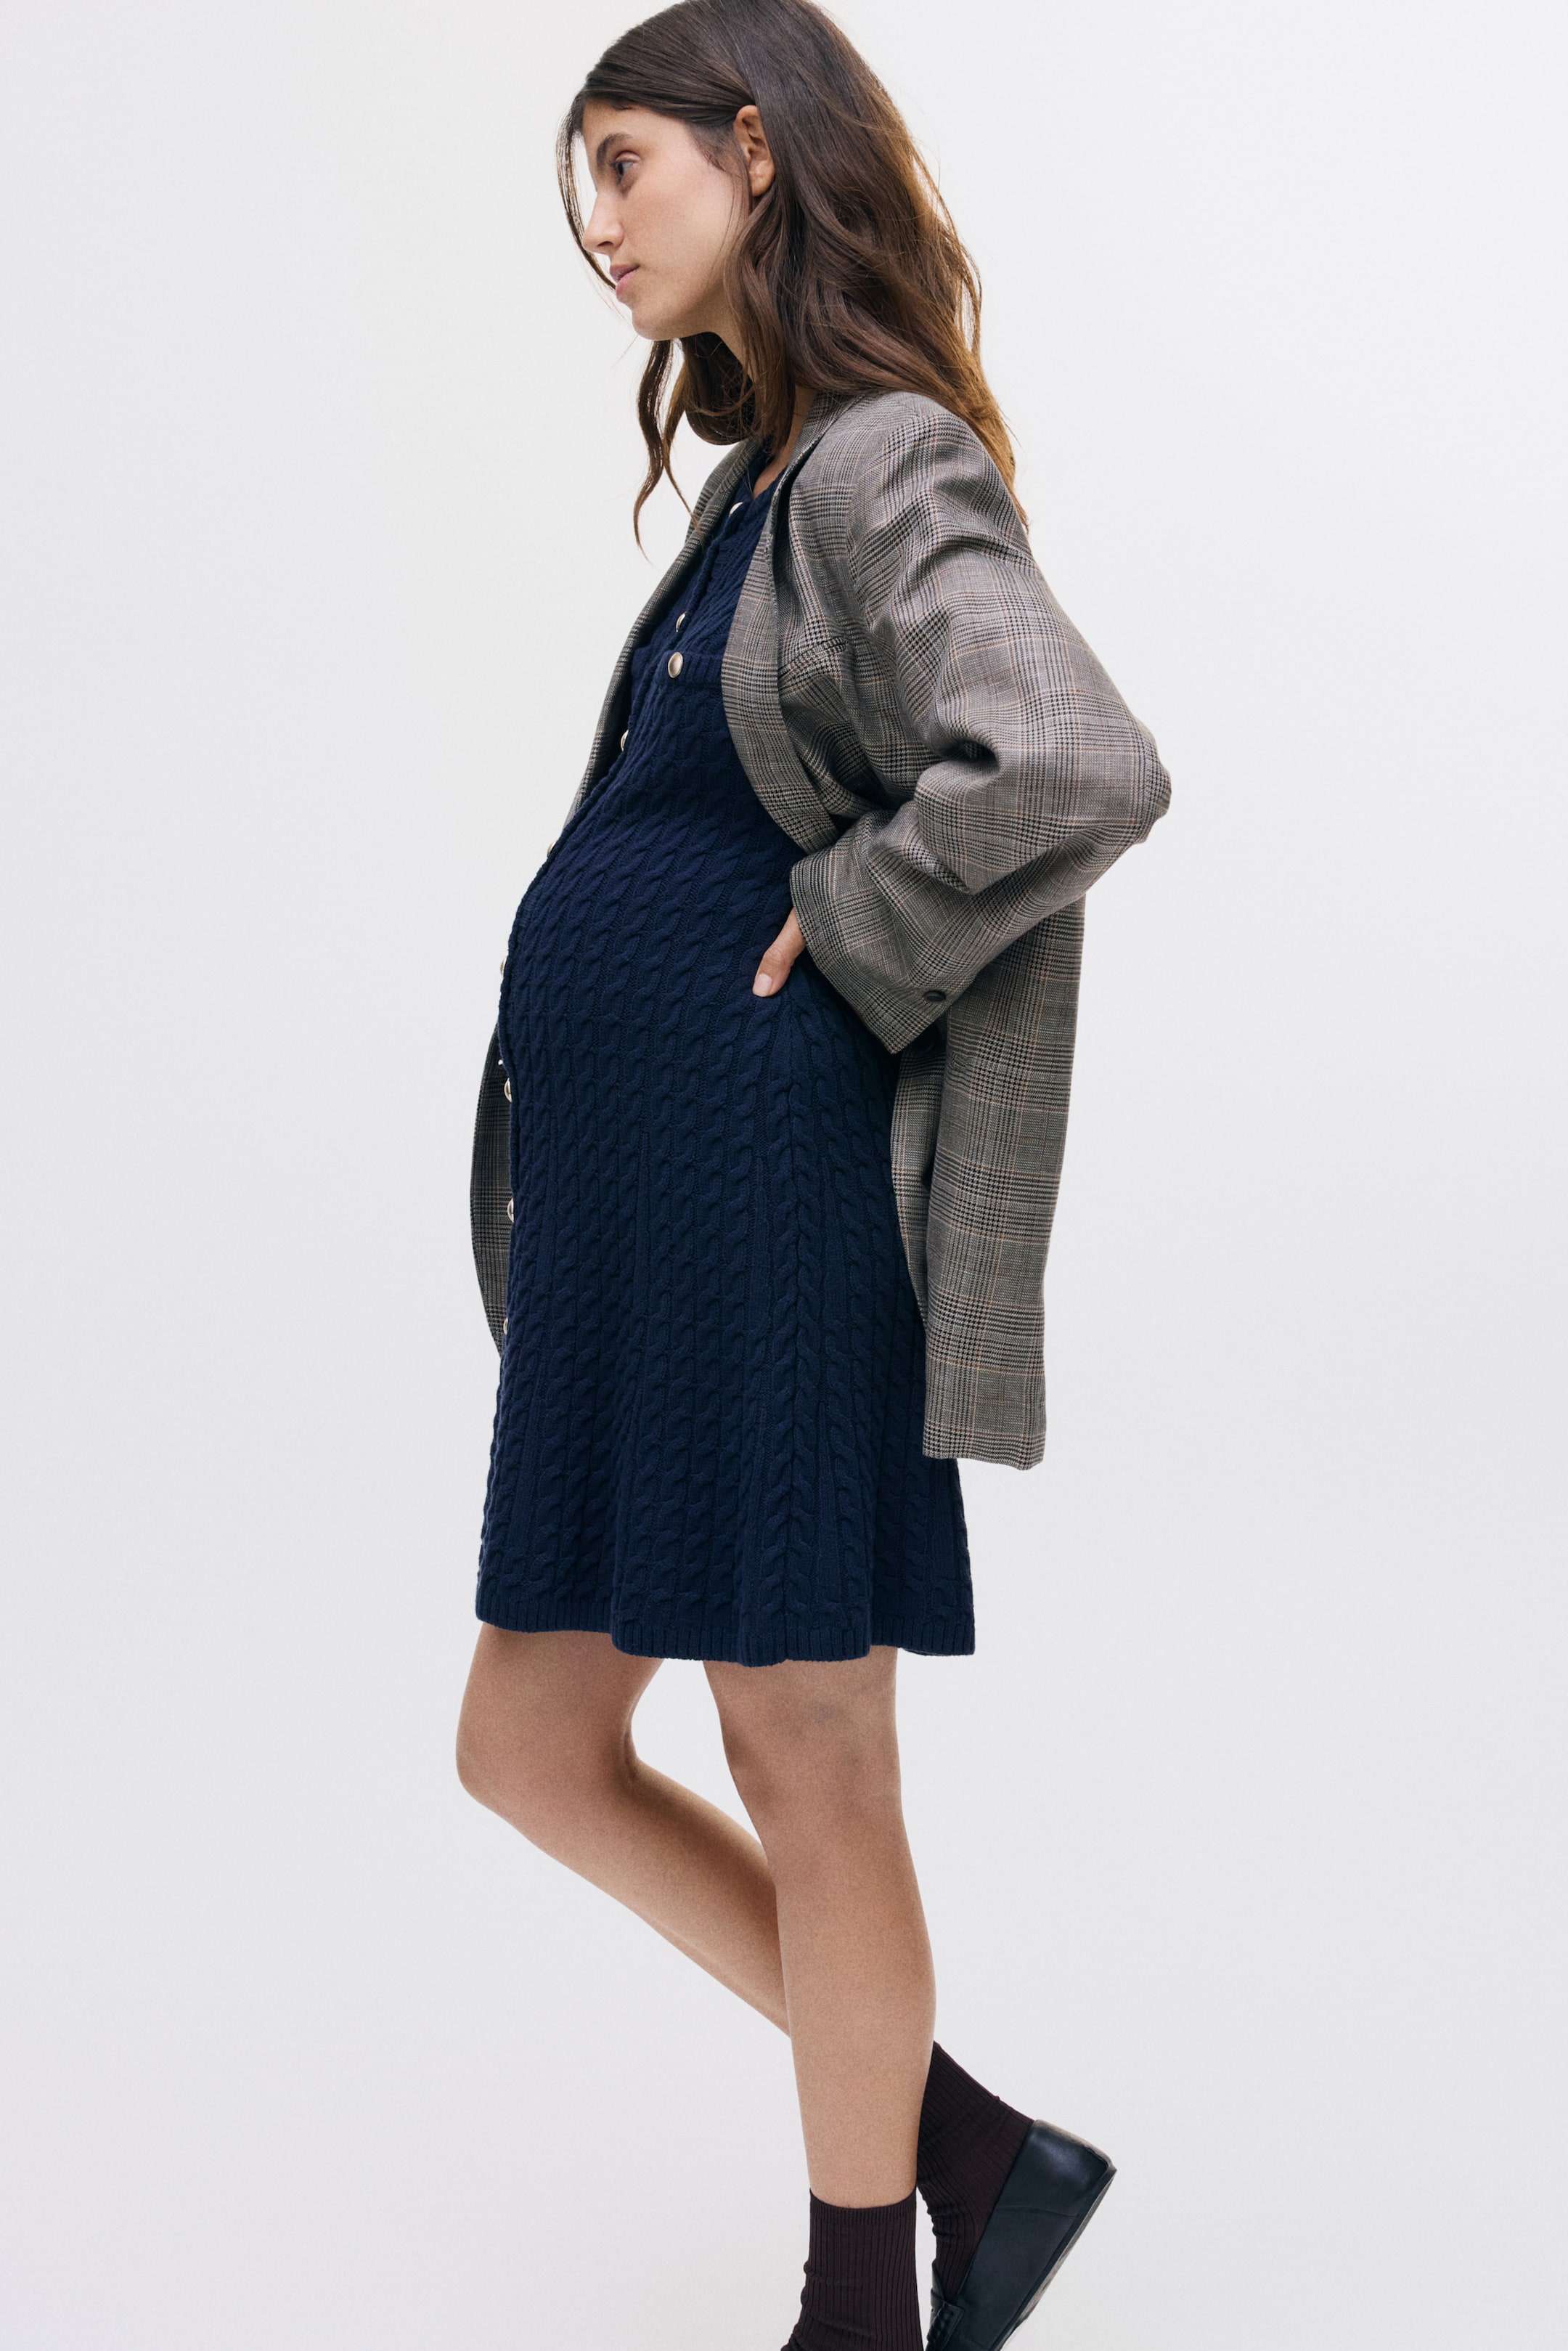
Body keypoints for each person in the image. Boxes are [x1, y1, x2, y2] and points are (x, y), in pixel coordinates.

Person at [456, 4, 1169, 2344]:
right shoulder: (766, 483)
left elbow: (1072, 756)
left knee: (806, 1746)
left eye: (626, 162)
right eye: (583, 177)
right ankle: (968, 2149)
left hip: (768, 1209)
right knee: (530, 1745)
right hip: (657, 1233)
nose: (598, 221)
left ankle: (864, 2296)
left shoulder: (875, 464)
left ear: (756, 153)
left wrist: (851, 922)